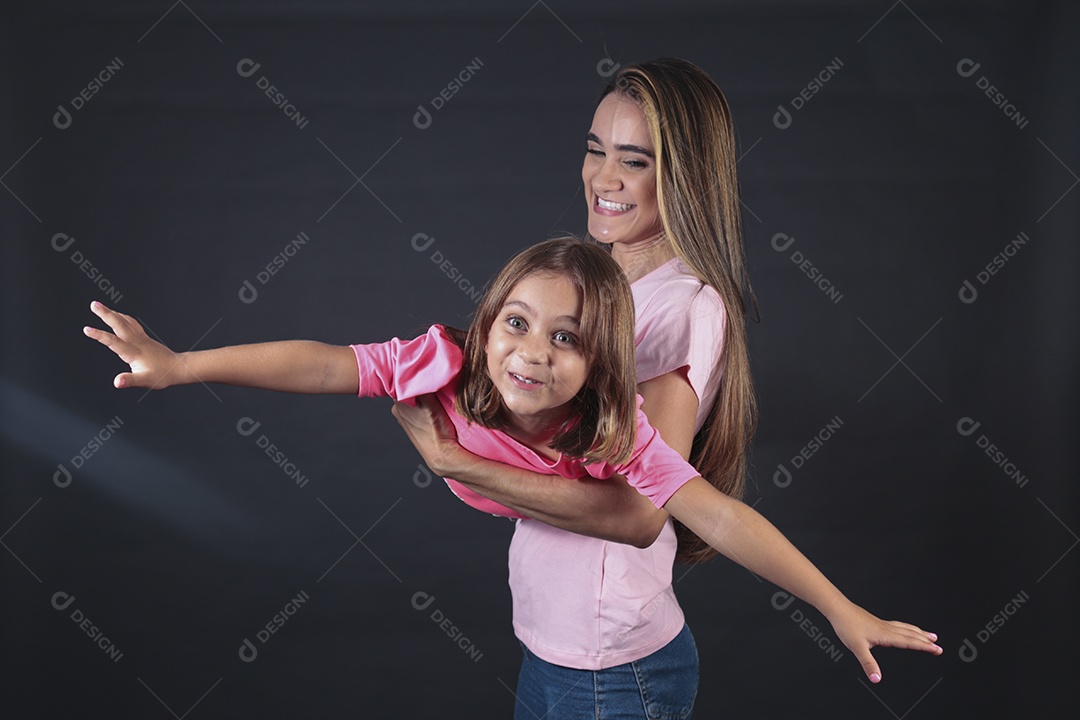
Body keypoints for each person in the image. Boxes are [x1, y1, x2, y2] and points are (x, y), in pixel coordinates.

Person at [87, 237, 941, 719]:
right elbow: (321, 366)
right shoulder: (443, 368)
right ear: (486, 321)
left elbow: (716, 518)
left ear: (601, 359)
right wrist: (182, 364)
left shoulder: (613, 430)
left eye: (566, 338)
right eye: (518, 323)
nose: (532, 351)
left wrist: (839, 606)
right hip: (547, 656)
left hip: (624, 676)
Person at [388, 59, 938, 718]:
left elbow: (640, 513)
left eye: (635, 161)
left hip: (611, 670)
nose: (603, 178)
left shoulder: (679, 306)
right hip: (556, 649)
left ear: (686, 174)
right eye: (594, 151)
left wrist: (454, 461)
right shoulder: (598, 283)